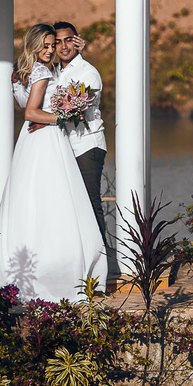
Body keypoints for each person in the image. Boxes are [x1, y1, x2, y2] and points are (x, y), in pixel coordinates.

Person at [0, 24, 106, 303]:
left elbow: (35, 107)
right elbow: (33, 112)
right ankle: (64, 265)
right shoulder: (45, 70)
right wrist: (61, 117)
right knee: (57, 202)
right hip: (50, 140)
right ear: (35, 45)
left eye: (54, 44)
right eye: (51, 43)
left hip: (75, 143)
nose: (53, 48)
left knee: (62, 201)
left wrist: (53, 115)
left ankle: (72, 263)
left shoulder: (82, 71)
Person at [52, 21, 107, 243]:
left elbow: (73, 107)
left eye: (68, 40)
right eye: (57, 42)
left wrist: (42, 116)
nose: (63, 46)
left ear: (77, 40)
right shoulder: (52, 72)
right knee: (66, 205)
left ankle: (100, 261)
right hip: (62, 146)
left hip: (87, 145)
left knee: (90, 202)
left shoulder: (88, 72)